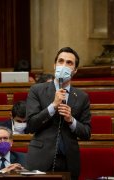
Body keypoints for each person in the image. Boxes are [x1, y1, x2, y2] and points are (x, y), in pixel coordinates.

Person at [25, 47, 91, 180]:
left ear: (75, 71)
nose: (64, 65)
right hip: (40, 158)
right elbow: (31, 125)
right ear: (54, 65)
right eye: (61, 61)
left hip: (69, 161)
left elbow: (86, 133)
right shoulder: (37, 90)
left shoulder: (82, 96)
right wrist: (53, 106)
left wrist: (71, 120)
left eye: (69, 63)